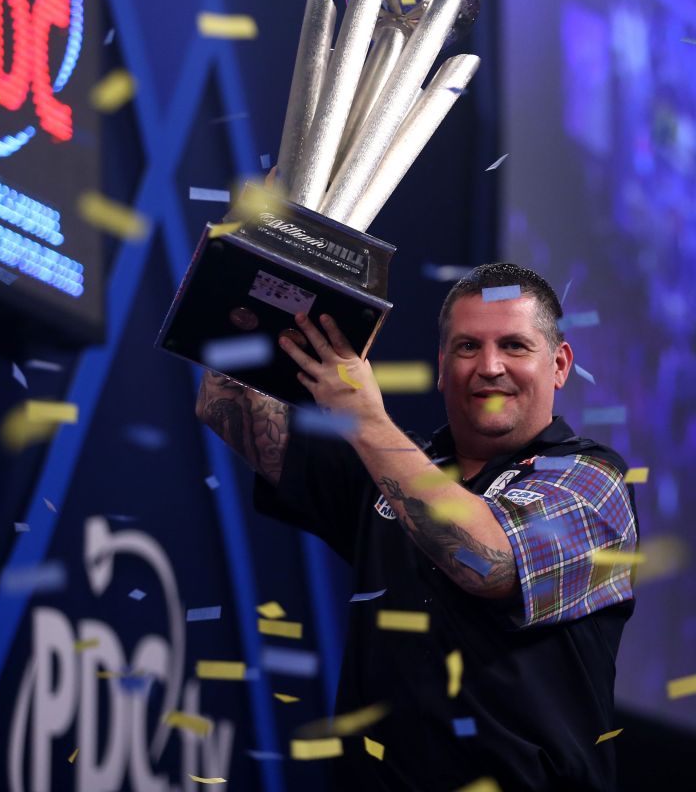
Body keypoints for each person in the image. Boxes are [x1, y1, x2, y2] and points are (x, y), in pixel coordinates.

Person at [195, 263, 637, 792]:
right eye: (468, 347)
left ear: (559, 364)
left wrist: (365, 420)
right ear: (441, 365)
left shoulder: (592, 481)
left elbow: (488, 562)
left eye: (515, 346)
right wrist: (257, 296)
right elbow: (224, 409)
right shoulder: (392, 466)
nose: (490, 367)